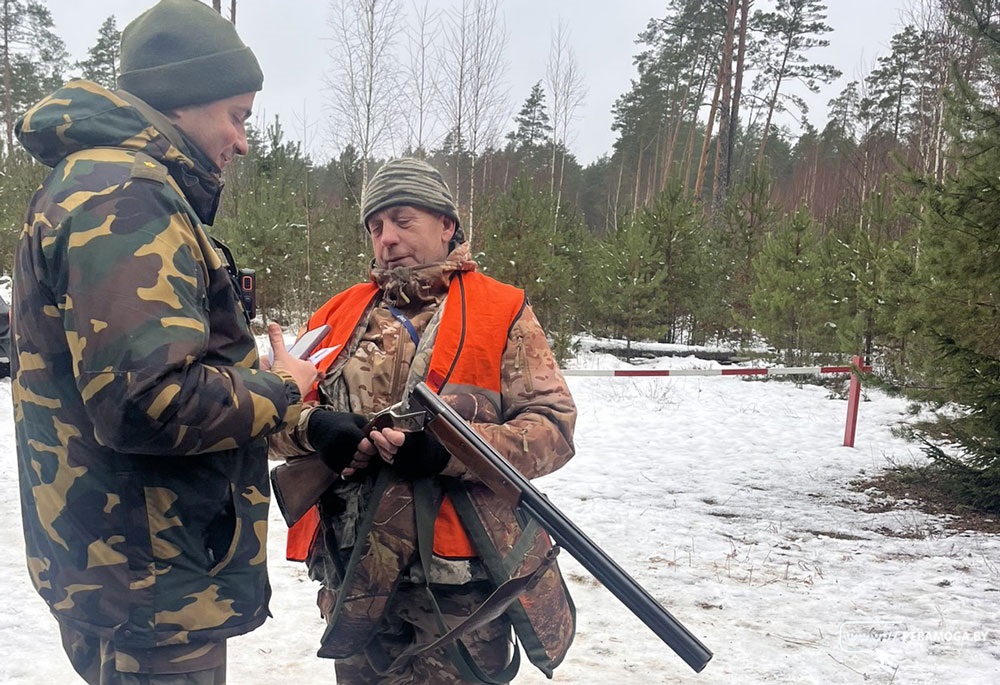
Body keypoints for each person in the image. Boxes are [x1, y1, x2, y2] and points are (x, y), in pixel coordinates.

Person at [10, 1, 318, 683]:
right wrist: (283, 386)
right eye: (236, 116)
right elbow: (149, 400)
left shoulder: (107, 184)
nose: (241, 141)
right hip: (149, 590)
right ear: (182, 101)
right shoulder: (124, 195)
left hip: (133, 575)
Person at [269, 158, 578, 684]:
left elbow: (553, 430)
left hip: (462, 585)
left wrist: (450, 451)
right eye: (375, 226)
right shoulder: (336, 315)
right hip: (355, 573)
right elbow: (275, 418)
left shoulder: (502, 310)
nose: (387, 238)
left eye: (404, 221)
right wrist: (319, 431)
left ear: (447, 225)